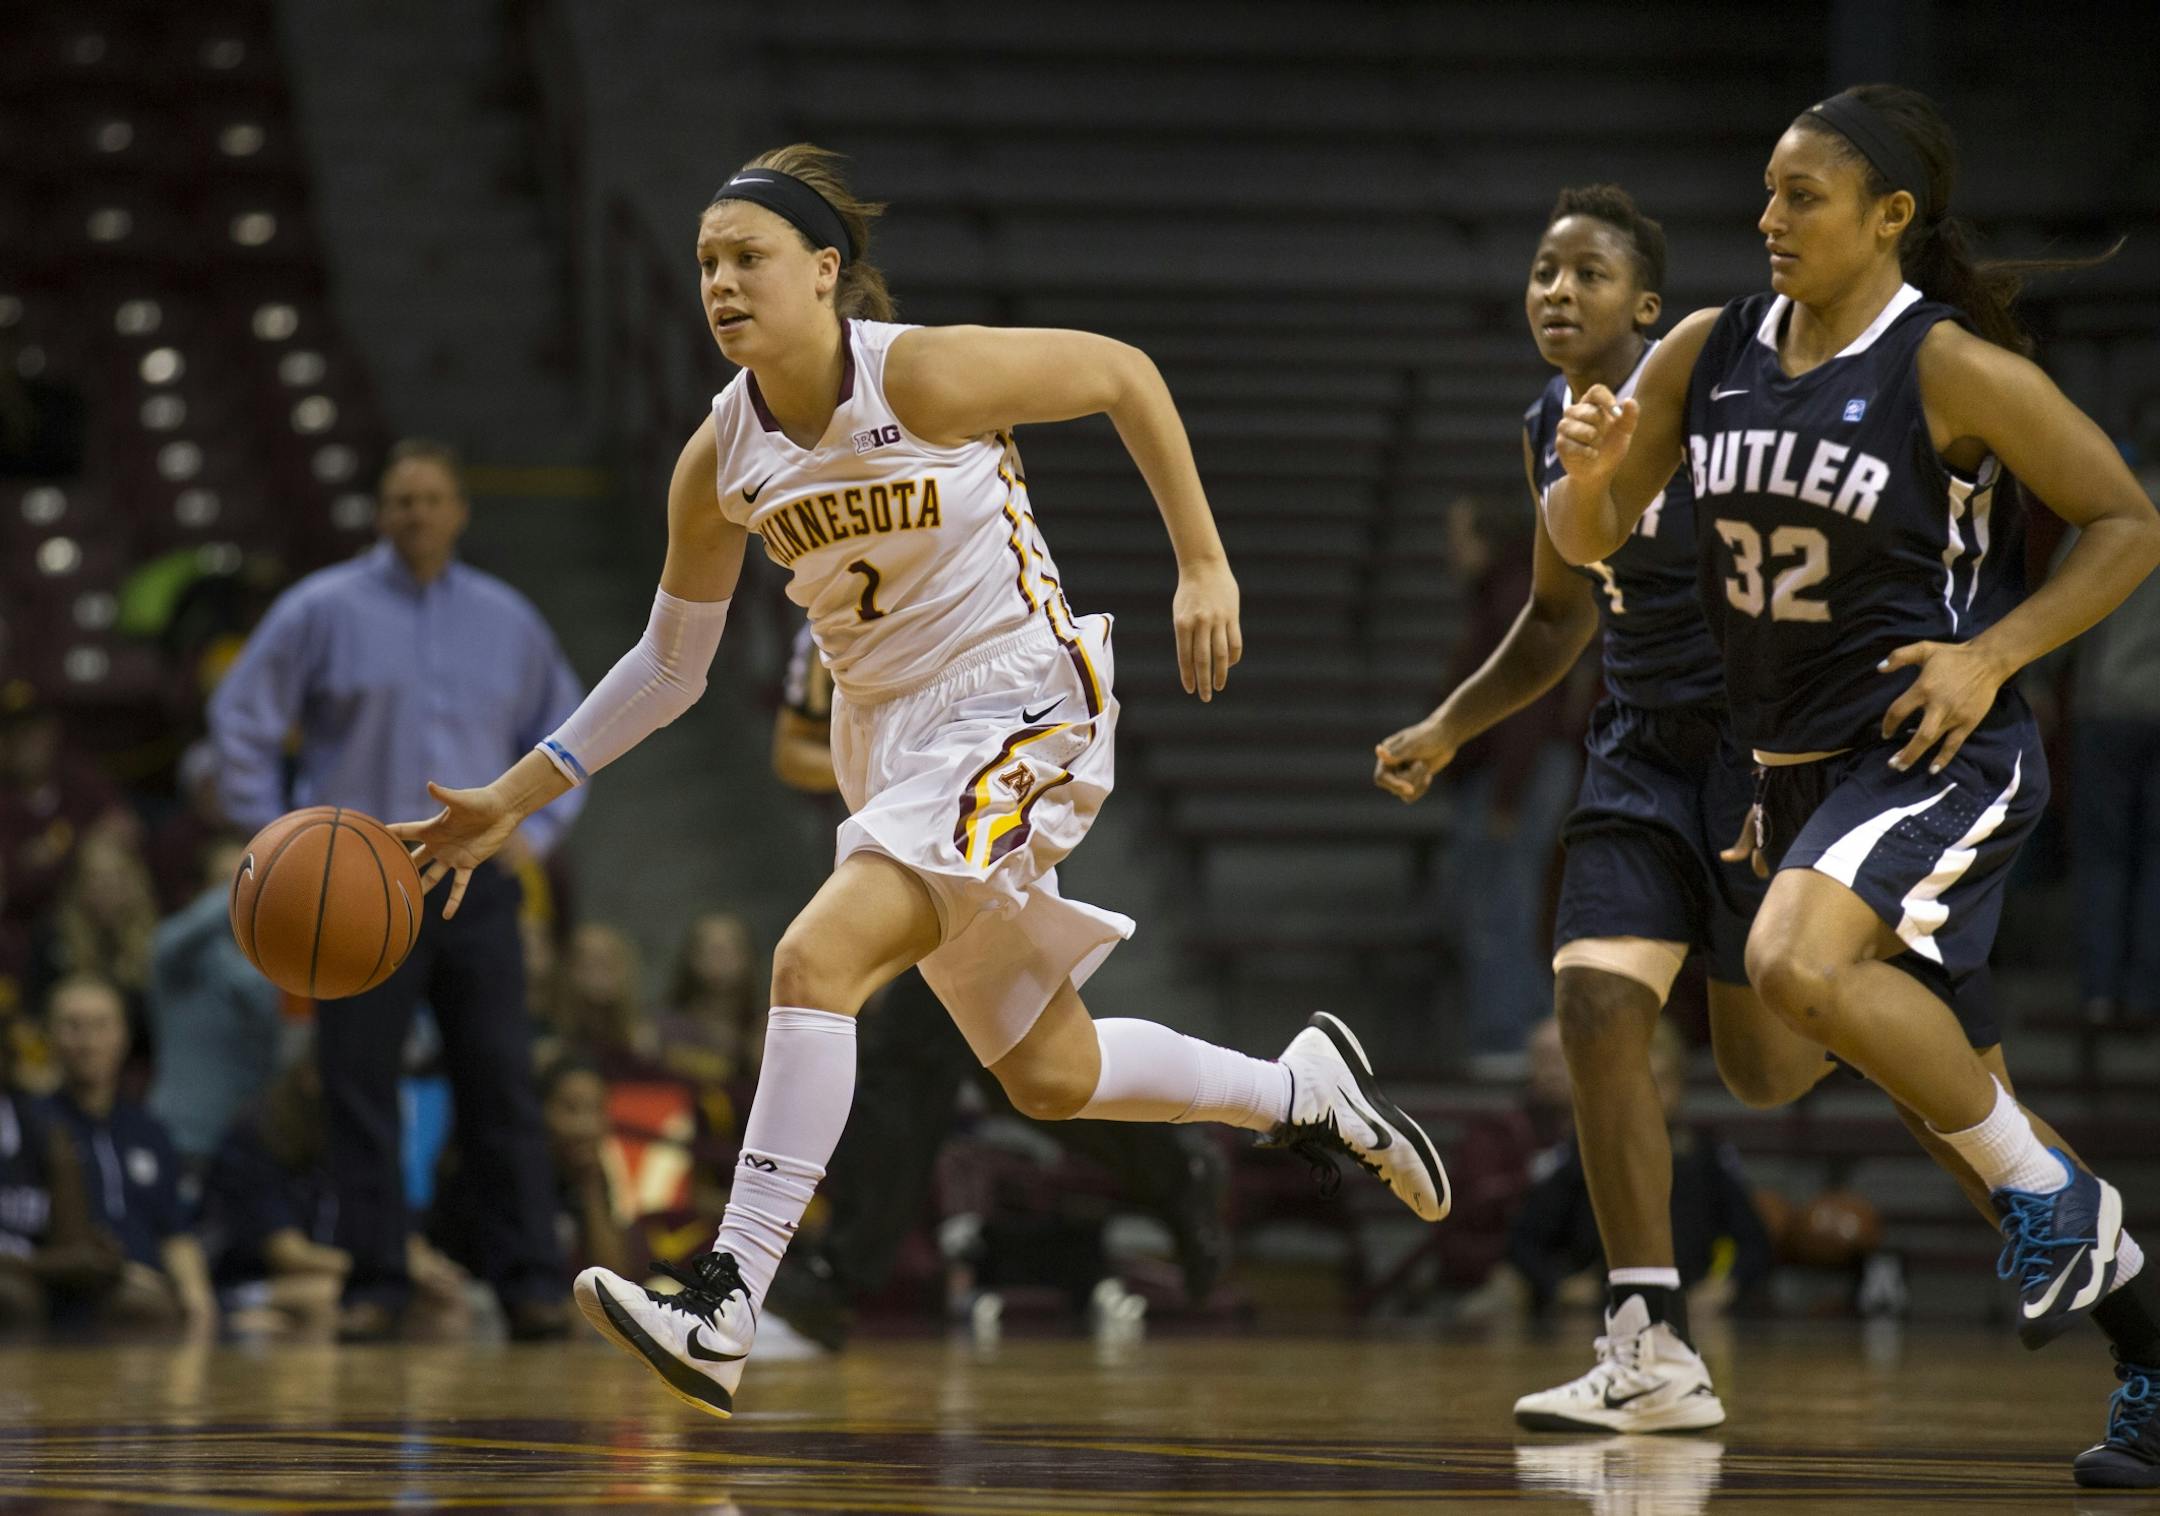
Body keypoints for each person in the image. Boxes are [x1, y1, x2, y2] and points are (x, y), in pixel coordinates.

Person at [392, 142, 1447, 1418]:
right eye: (706, 264)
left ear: (825, 272)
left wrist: (1204, 565)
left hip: (1019, 698)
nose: (720, 283)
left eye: (749, 258)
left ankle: (729, 1299)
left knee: (809, 962)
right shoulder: (717, 457)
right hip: (888, 743)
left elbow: (1126, 374)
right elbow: (670, 666)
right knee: (1048, 1073)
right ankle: (1303, 1093)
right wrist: (515, 794)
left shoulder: (921, 372)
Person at [1541, 85, 2160, 1486]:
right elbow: (1584, 537)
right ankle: (2144, 1334)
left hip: (1927, 749)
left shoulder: (1944, 369)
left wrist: (1993, 655)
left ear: (1890, 218)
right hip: (1783, 778)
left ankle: (2059, 1207)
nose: (1766, 220)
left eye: (1801, 196)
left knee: (1796, 966)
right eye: (1764, 191)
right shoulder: (1708, 348)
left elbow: (2128, 521)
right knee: (1787, 1067)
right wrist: (1582, 482)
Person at [1377, 185, 1831, 1431]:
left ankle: (1872, 972)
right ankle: (1650, 1341)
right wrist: (1449, 724)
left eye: (1585, 273)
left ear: (1647, 306)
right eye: (1540, 271)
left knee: (1765, 1067)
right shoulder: (1545, 425)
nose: (1555, 292)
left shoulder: (1723, 411)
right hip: (1633, 748)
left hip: (1762, 753)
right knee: (1588, 1002)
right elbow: (1559, 618)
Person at [208, 437, 590, 1342]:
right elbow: (242, 719)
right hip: (354, 883)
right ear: (380, 513)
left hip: (473, 880)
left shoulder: (509, 619)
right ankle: (374, 1284)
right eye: (400, 499)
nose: (416, 513)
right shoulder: (321, 609)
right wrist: (277, 842)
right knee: (357, 1087)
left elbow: (571, 732)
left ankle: (530, 1279)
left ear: (460, 510)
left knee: (500, 1081)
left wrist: (531, 835)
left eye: (431, 498)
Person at [761, 618, 1232, 1346]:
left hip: (984, 844)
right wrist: (891, 766)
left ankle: (834, 1282)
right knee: (1024, 1077)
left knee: (907, 1059)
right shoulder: (821, 620)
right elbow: (792, 752)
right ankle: (1175, 1169)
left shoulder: (965, 576)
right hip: (894, 859)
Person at [1498, 1019, 1773, 1324]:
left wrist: (1724, 1287)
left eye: (1663, 1081)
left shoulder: (1703, 1158)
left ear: (1680, 1086)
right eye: (1643, 1083)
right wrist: (1560, 1286)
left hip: (1687, 1311)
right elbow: (1524, 1239)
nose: (1654, 1096)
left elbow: (1754, 1241)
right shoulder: (1590, 1153)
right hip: (1602, 1315)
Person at [40, 974, 216, 1333]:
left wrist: (198, 1299)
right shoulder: (31, 1125)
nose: (88, 1042)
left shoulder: (149, 1131)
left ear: (124, 1036)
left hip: (152, 1301)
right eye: (72, 1026)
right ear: (50, 1036)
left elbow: (176, 1233)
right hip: (67, 1298)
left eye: (101, 1026)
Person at [147, 833, 287, 1164]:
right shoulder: (181, 959)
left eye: (253, 879)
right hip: (181, 1137)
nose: (244, 891)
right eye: (228, 880)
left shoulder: (276, 960)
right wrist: (240, 889)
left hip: (250, 1144)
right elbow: (164, 945)